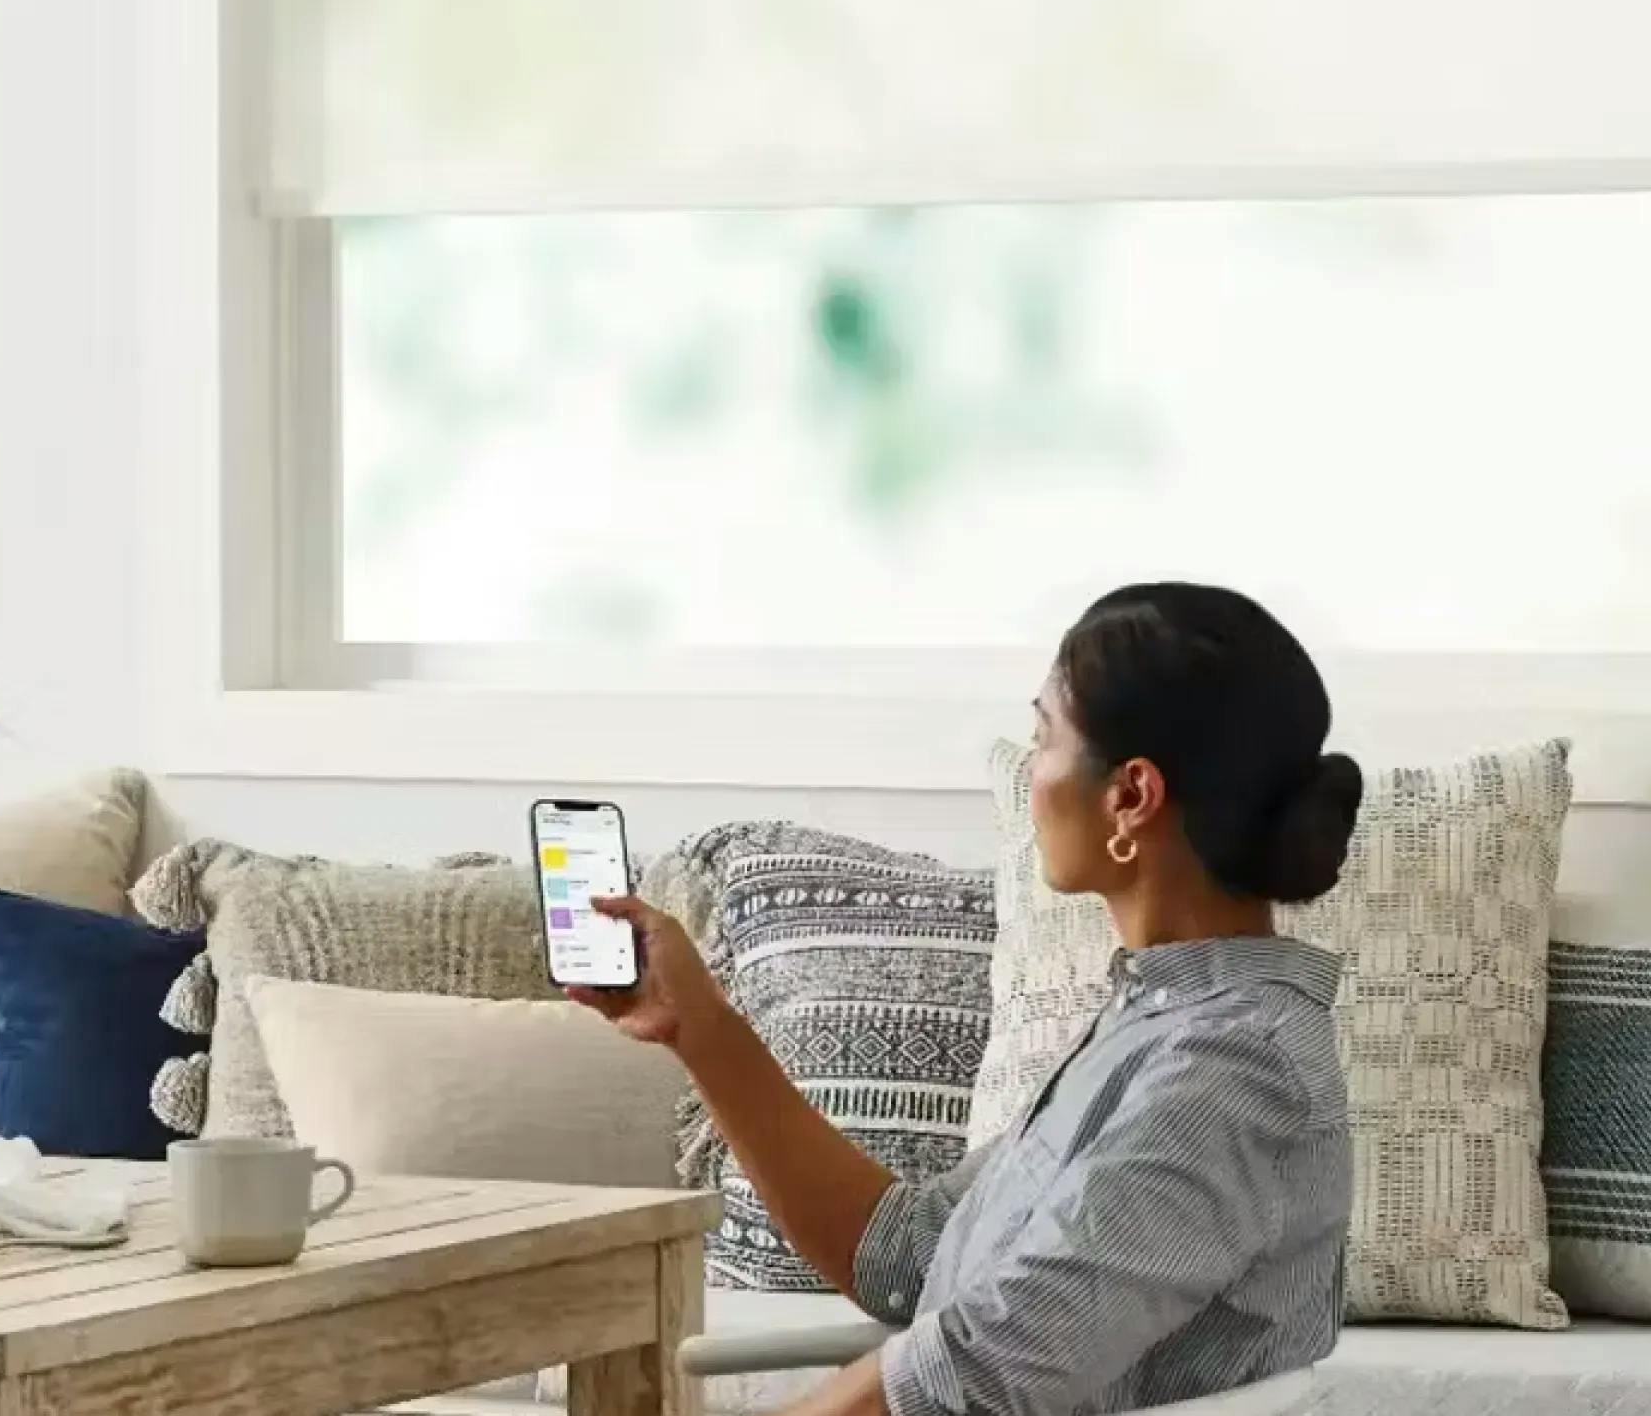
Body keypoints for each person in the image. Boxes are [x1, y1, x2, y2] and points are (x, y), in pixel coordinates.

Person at [573, 582, 1362, 1416]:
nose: (1031, 774)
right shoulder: (1158, 1024)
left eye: (1043, 736)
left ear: (1130, 796)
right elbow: (909, 1257)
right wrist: (700, 1027)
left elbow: (988, 1362)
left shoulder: (1233, 1071)